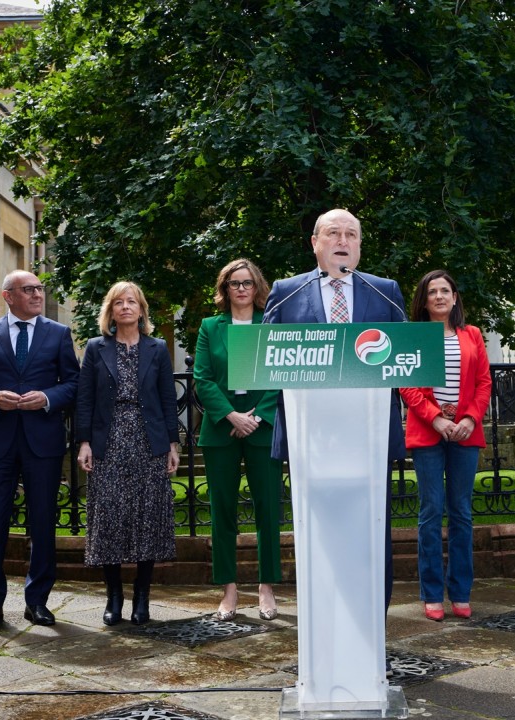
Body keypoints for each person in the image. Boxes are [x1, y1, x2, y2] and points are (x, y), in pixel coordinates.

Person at [263, 207, 407, 608]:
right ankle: (322, 617)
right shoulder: (287, 291)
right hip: (312, 438)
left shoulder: (384, 290)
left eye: (351, 234)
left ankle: (373, 620)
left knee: (372, 528)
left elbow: (405, 357)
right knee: (318, 531)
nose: (342, 241)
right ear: (315, 243)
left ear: (359, 245)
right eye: (333, 233)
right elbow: (265, 357)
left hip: (369, 435)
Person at [0, 270, 80, 631]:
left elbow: (74, 383)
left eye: (40, 289)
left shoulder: (58, 333)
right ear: (8, 296)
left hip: (43, 443)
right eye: (29, 290)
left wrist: (48, 397)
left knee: (42, 522)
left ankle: (37, 602)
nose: (38, 295)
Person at [75, 281, 180, 626]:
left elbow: (167, 399)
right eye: (118, 302)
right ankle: (114, 596)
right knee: (109, 519)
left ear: (141, 309)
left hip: (149, 442)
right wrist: (85, 442)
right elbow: (85, 399)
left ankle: (142, 596)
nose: (125, 307)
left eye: (131, 301)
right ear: (110, 311)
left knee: (147, 517)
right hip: (108, 441)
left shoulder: (157, 348)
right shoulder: (96, 348)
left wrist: (172, 444)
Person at [193, 259, 283, 621]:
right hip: (222, 428)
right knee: (222, 511)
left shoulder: (271, 325)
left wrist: (256, 417)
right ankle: (228, 589)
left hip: (263, 426)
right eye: (235, 283)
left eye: (247, 282)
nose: (242, 289)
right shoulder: (210, 327)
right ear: (225, 288)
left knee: (268, 510)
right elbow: (202, 378)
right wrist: (231, 415)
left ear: (257, 287)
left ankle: (266, 587)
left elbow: (281, 374)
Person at [400, 270, 492, 622]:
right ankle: (432, 593)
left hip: (465, 432)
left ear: (455, 298)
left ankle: (461, 591)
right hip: (428, 431)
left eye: (445, 290)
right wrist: (437, 419)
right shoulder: (415, 336)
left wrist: (469, 419)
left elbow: (483, 383)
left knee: (461, 513)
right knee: (430, 512)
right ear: (424, 301)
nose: (439, 296)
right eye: (432, 291)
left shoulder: (473, 335)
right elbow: (408, 385)